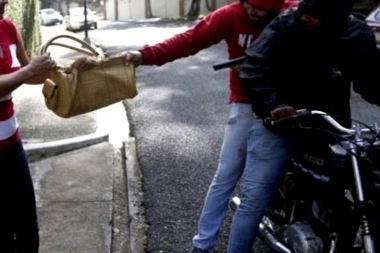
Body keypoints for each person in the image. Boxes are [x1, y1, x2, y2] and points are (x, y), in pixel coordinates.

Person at [124, 0, 293, 252]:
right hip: (246, 104)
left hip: (285, 105)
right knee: (226, 175)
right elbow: (189, 40)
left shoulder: (293, 14)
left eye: (260, 8)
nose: (252, 12)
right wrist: (143, 55)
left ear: (276, 8)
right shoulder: (230, 15)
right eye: (249, 4)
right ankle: (203, 243)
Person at [230, 0, 380, 252]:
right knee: (254, 200)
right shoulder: (285, 24)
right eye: (304, 11)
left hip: (329, 124)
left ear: (335, 16)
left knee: (364, 177)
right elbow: (254, 66)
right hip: (282, 122)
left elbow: (371, 82)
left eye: (315, 14)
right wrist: (273, 104)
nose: (305, 18)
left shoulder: (356, 34)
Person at [0, 1, 92, 251]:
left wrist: (68, 69)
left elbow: (30, 74)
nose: (3, 2)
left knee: (29, 229)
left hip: (12, 146)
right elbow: (25, 72)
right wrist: (29, 70)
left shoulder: (8, 28)